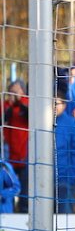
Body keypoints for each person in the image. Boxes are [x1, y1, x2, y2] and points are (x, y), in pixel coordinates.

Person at [54, 96, 75, 213]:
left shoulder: (72, 124)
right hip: (44, 181)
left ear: (64, 105)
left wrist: (71, 178)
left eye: (56, 103)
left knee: (64, 218)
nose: (53, 107)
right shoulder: (41, 123)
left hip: (65, 181)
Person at [2, 80, 28, 212]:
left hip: (24, 157)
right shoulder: (6, 106)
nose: (14, 95)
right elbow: (4, 118)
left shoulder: (27, 104)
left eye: (17, 91)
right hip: (9, 158)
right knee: (8, 189)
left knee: (25, 192)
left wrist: (20, 101)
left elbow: (29, 115)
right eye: (11, 92)